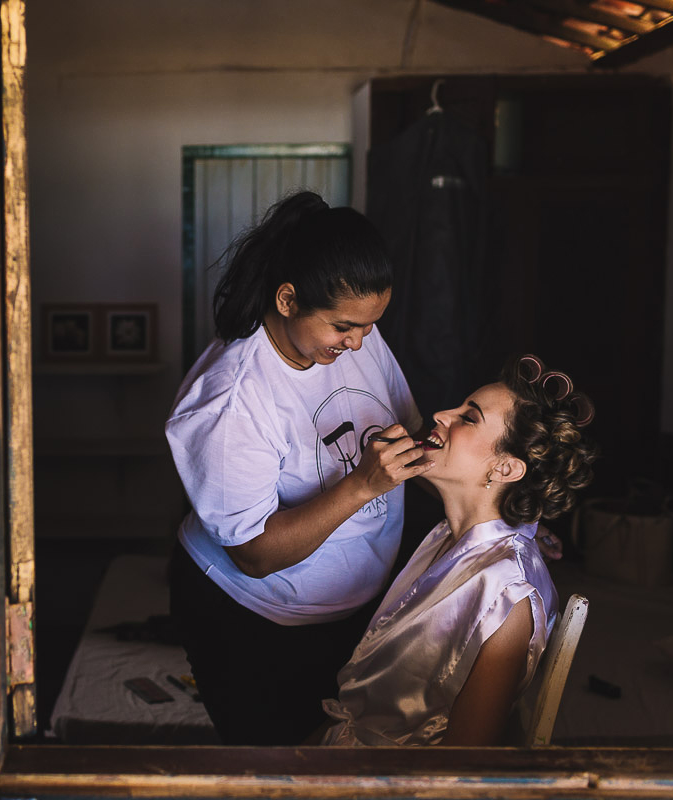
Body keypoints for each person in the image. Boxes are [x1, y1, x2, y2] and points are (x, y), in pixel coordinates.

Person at [165, 190, 431, 745]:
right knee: (278, 767)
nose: (358, 343)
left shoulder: (356, 335)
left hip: (354, 611)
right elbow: (256, 555)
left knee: (340, 753)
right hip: (252, 621)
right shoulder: (233, 398)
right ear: (287, 300)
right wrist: (361, 486)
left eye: (370, 326)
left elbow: (406, 426)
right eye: (344, 327)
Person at [320, 354, 597, 747]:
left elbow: (465, 762)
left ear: (505, 469)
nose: (440, 415)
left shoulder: (506, 597)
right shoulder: (450, 535)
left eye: (468, 417)